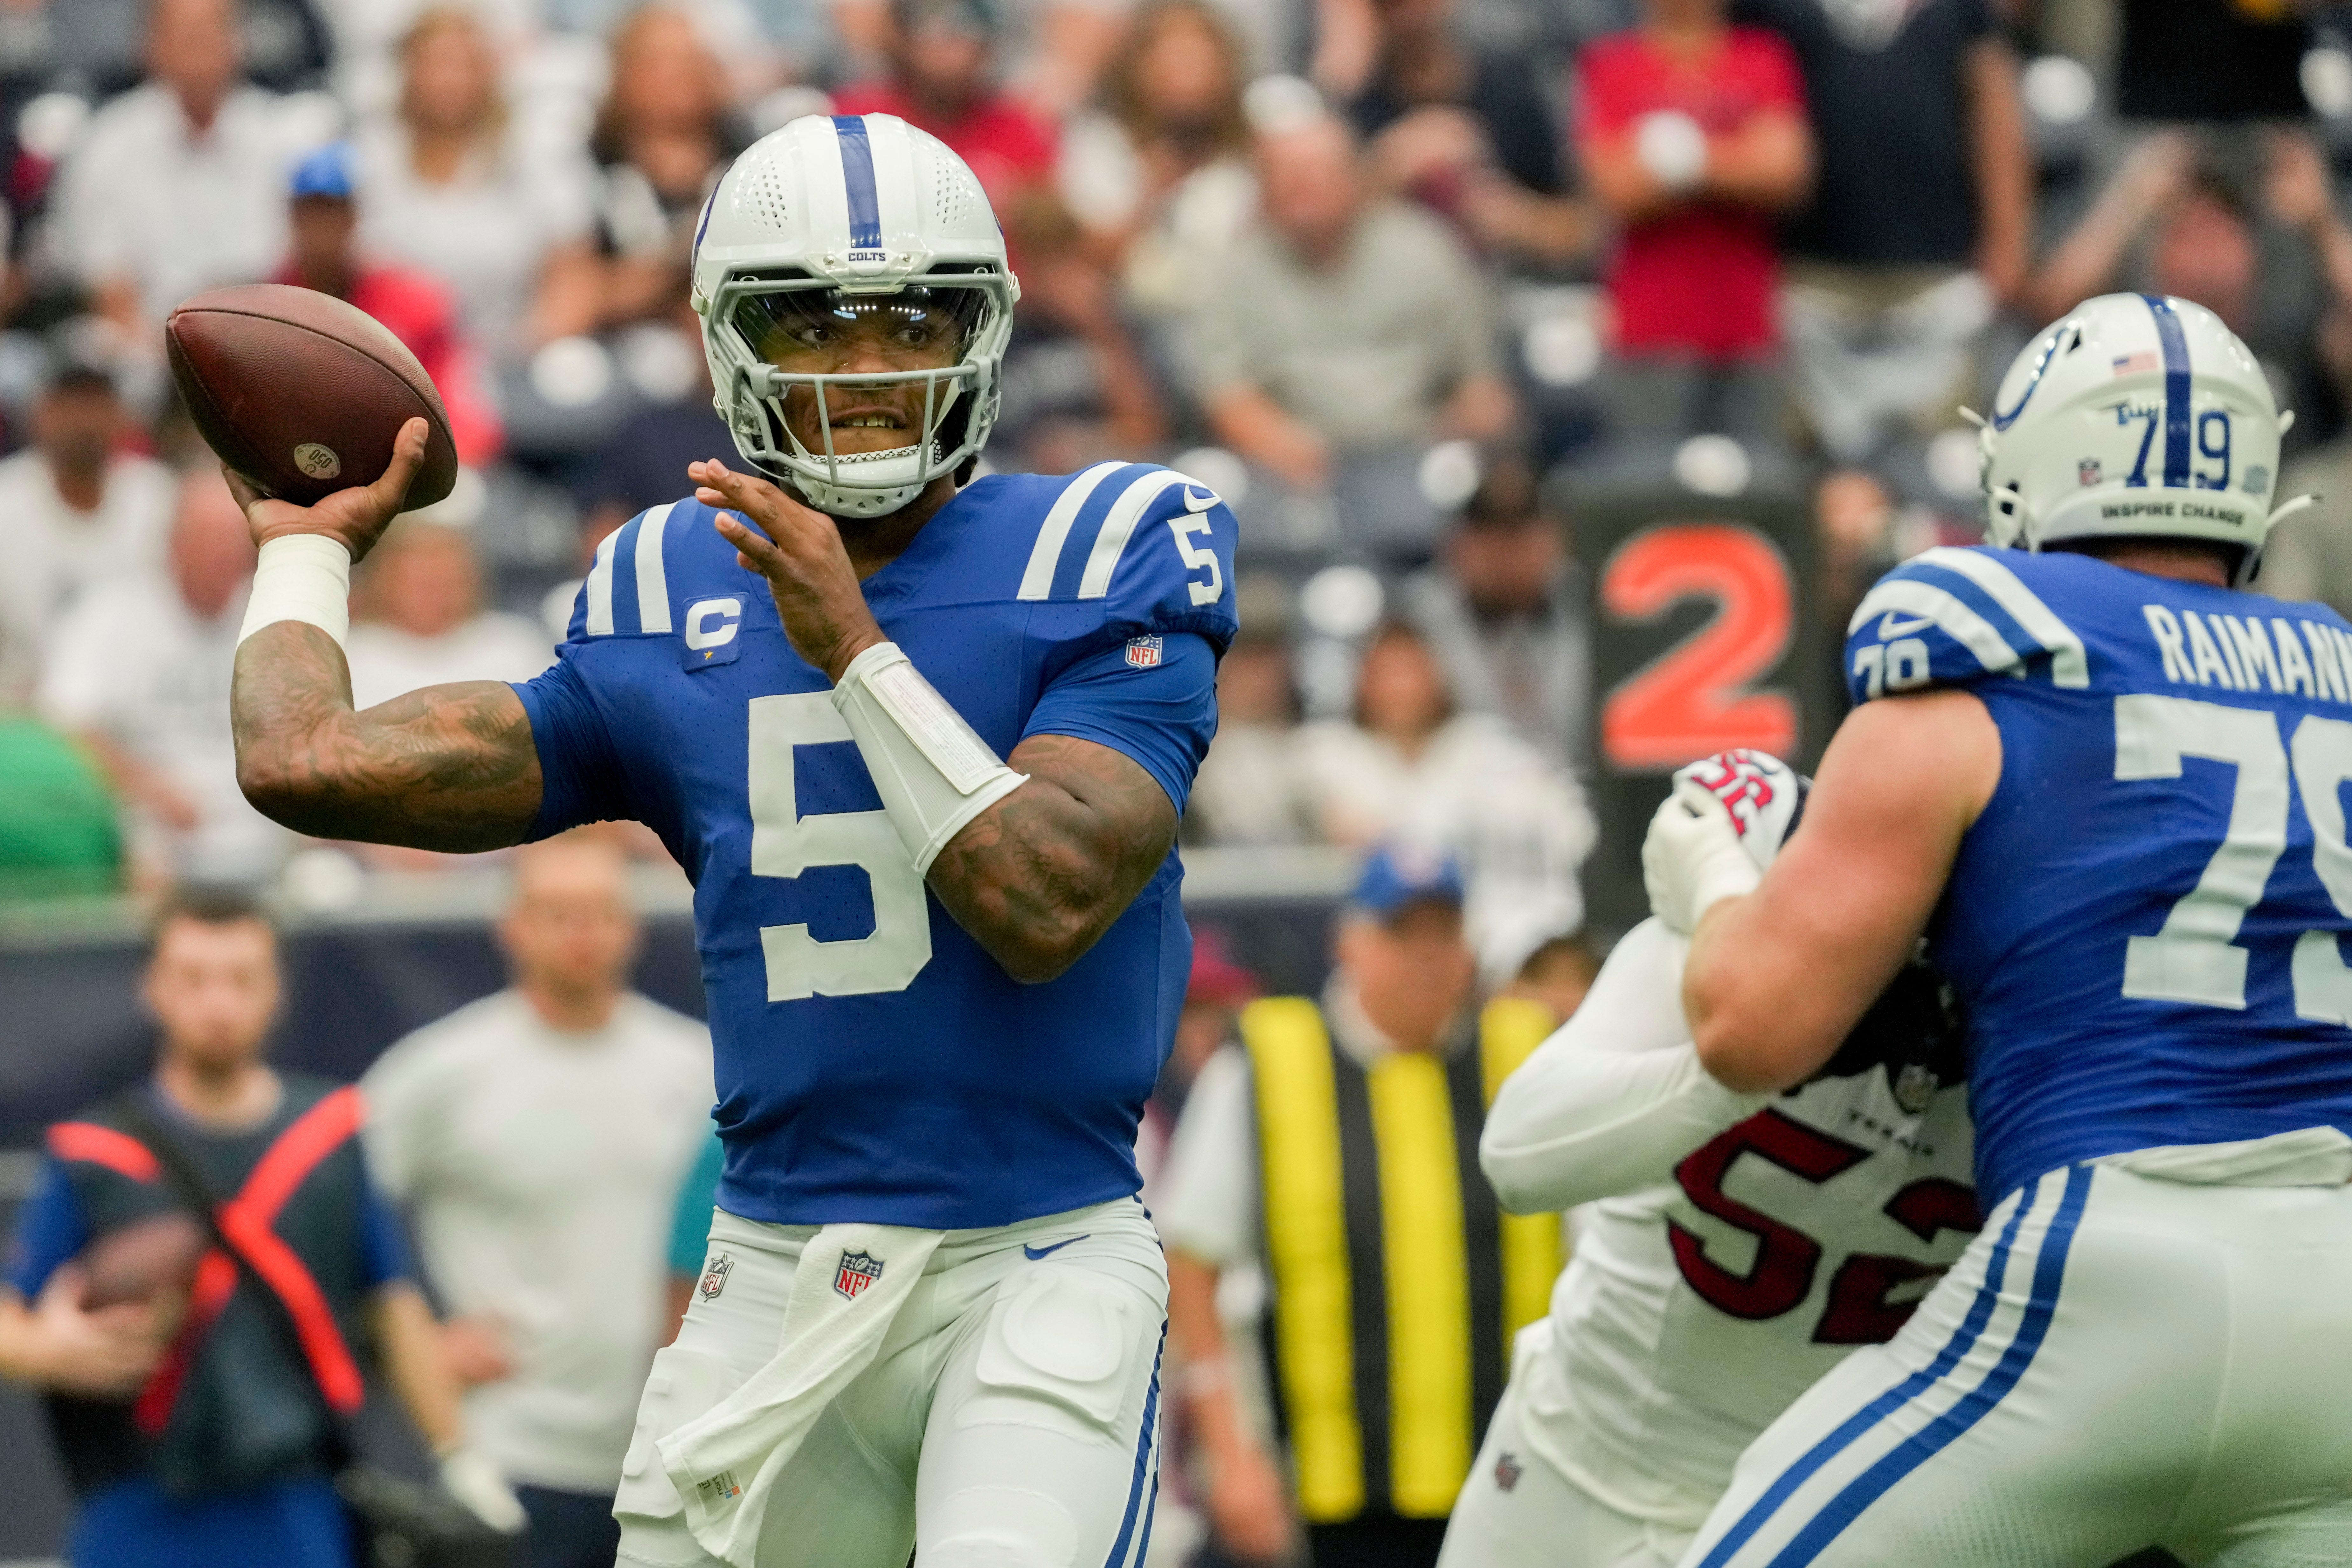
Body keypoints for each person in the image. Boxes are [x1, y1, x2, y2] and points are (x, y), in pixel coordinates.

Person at [225, 112, 1238, 1566]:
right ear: (726, 345)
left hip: (1037, 1256)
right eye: (815, 328)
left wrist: (851, 649)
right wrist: (307, 547)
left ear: (987, 332)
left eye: (915, 322)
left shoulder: (1108, 542)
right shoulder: (660, 583)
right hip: (771, 1269)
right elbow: (303, 758)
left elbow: (1046, 895)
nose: (873, 371)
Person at [1645, 293, 2352, 1562]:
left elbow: (1750, 1026)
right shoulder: (2337, 683)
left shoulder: (1976, 670)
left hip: (2113, 1266)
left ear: (2028, 464)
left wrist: (1708, 862)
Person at [1439, 749, 1976, 1568]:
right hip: (1574, 1450)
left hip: (1812, 1501)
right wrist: (1752, 1057)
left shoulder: (2061, 1027)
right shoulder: (1757, 897)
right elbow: (1519, 1153)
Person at [0, 889, 518, 1568]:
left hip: (294, 1504)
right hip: (137, 1502)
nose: (217, 1003)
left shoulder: (329, 1135)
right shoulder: (93, 1152)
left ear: (276, 988)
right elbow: (11, 1313)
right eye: (193, 978)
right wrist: (49, 1346)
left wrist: (460, 1457)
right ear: (153, 987)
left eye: (241, 978)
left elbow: (393, 1303)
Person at [1154, 847, 1562, 1568]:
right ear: (1350, 942)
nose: (1427, 958)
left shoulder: (1529, 1055)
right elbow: (1191, 1262)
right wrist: (1232, 1454)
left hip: (1515, 1477)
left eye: (1445, 934)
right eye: (1403, 933)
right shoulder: (1270, 1057)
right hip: (1335, 1488)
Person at [364, 836, 714, 1568]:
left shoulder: (700, 1069)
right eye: (556, 912)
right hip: (512, 1458)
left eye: (598, 912)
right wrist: (408, 1343)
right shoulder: (441, 1072)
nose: (580, 932)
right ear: (511, 926)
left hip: (675, 1458)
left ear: (631, 925)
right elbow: (325, 1206)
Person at [1186, 109, 1516, 550]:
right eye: (1287, 174)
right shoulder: (1233, 273)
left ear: (1356, 177)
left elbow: (1480, 386)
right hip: (1290, 467)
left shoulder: (1426, 251)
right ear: (1264, 188)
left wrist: (1453, 439)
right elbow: (1226, 395)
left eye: (1318, 171)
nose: (1304, 186)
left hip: (1414, 452)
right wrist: (1297, 455)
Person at [1739, 0, 2031, 461]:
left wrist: (2008, 241)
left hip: (1935, 278)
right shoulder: (1775, 11)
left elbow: (1995, 111)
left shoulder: (1963, 13)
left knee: (1942, 461)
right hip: (1810, 277)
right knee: (1809, 463)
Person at [1295, 621, 1595, 981]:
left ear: (1438, 673)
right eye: (1387, 673)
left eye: (1411, 670)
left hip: (1499, 925)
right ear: (1361, 679)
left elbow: (1572, 822)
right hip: (1386, 930)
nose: (1401, 687)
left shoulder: (1486, 746)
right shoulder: (1324, 754)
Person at [1574, 0, 1810, 440]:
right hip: (1649, 334)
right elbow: (1616, 190)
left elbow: (1785, 172)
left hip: (1748, 327)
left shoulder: (1761, 57)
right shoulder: (1612, 63)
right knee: (1654, 494)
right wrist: (1735, 157)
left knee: (1752, 491)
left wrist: (1680, 160)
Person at [39, 468, 281, 889]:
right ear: (173, 542)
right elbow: (63, 724)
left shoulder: (274, 617)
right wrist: (146, 787)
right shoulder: (108, 616)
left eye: (232, 543)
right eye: (208, 541)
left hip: (267, 840)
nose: (222, 557)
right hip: (148, 840)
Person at [48, 0, 308, 345]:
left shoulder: (286, 139)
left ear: (240, 41)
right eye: (183, 35)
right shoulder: (108, 143)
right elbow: (108, 288)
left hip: (263, 341)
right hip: (144, 349)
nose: (198, 49)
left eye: (210, 32)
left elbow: (295, 276)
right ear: (149, 45)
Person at [351, 7, 603, 359]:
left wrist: (513, 355)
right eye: (435, 64)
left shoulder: (536, 157)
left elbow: (574, 280)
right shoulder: (365, 159)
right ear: (406, 71)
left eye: (464, 64)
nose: (449, 80)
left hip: (512, 361)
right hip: (387, 361)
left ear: (490, 72)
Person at [273, 142, 505, 465]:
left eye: (334, 210)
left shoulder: (415, 304)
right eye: (312, 211)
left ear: (354, 215)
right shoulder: (266, 308)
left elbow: (468, 419)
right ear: (293, 216)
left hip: (409, 468)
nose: (323, 226)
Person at [1397, 452, 1591, 772]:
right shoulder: (1415, 619)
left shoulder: (1593, 608)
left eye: (1521, 534)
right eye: (1489, 534)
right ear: (1457, 543)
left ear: (1555, 539)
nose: (1506, 552)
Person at [832, 0, 1061, 214]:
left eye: (965, 33)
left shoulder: (1020, 132)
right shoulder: (855, 121)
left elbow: (1048, 230)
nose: (950, 51)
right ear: (901, 38)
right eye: (932, 32)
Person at [345, 521, 553, 712]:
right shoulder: (349, 655)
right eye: (421, 584)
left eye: (447, 583)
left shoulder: (517, 646)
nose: (434, 596)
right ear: (384, 584)